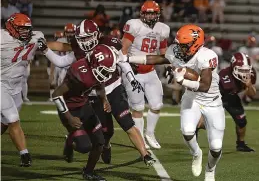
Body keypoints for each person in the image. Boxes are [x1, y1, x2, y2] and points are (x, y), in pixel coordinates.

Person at [40, 19, 155, 166]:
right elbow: (62, 62)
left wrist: (132, 79)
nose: (86, 41)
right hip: (95, 94)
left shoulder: (109, 43)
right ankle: (98, 144)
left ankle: (145, 155)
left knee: (127, 123)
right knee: (105, 131)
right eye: (82, 38)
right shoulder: (78, 50)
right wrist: (45, 50)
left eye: (88, 37)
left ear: (97, 34)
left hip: (114, 89)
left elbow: (122, 61)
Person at [126, 24, 225, 181]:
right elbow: (155, 58)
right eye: (179, 44)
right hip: (191, 98)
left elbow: (205, 86)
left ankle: (210, 171)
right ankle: (196, 153)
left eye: (184, 45)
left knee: (216, 146)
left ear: (196, 44)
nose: (179, 49)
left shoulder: (207, 56)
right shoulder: (177, 52)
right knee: (187, 131)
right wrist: (127, 58)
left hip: (211, 100)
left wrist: (182, 80)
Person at [50, 45, 114, 180]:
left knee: (100, 142)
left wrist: (104, 101)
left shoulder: (96, 70)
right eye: (104, 70)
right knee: (84, 147)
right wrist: (69, 117)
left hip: (85, 106)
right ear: (95, 64)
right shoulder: (79, 73)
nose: (106, 74)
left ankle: (88, 172)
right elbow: (56, 94)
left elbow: (100, 86)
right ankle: (69, 141)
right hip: (70, 109)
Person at [119, 0, 170, 149]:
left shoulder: (162, 29)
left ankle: (150, 133)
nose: (150, 16)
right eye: (148, 13)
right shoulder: (134, 25)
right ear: (142, 14)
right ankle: (140, 138)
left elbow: (163, 51)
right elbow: (123, 49)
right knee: (138, 108)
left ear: (158, 14)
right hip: (134, 72)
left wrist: (168, 66)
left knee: (157, 104)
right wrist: (126, 67)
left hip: (150, 70)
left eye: (153, 13)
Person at [1, 13, 45, 167]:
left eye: (27, 29)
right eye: (21, 29)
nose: (25, 32)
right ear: (11, 27)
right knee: (13, 119)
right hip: (1, 83)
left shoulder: (35, 37)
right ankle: (25, 154)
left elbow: (53, 46)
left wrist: (75, 49)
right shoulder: (2, 38)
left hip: (16, 86)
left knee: (5, 123)